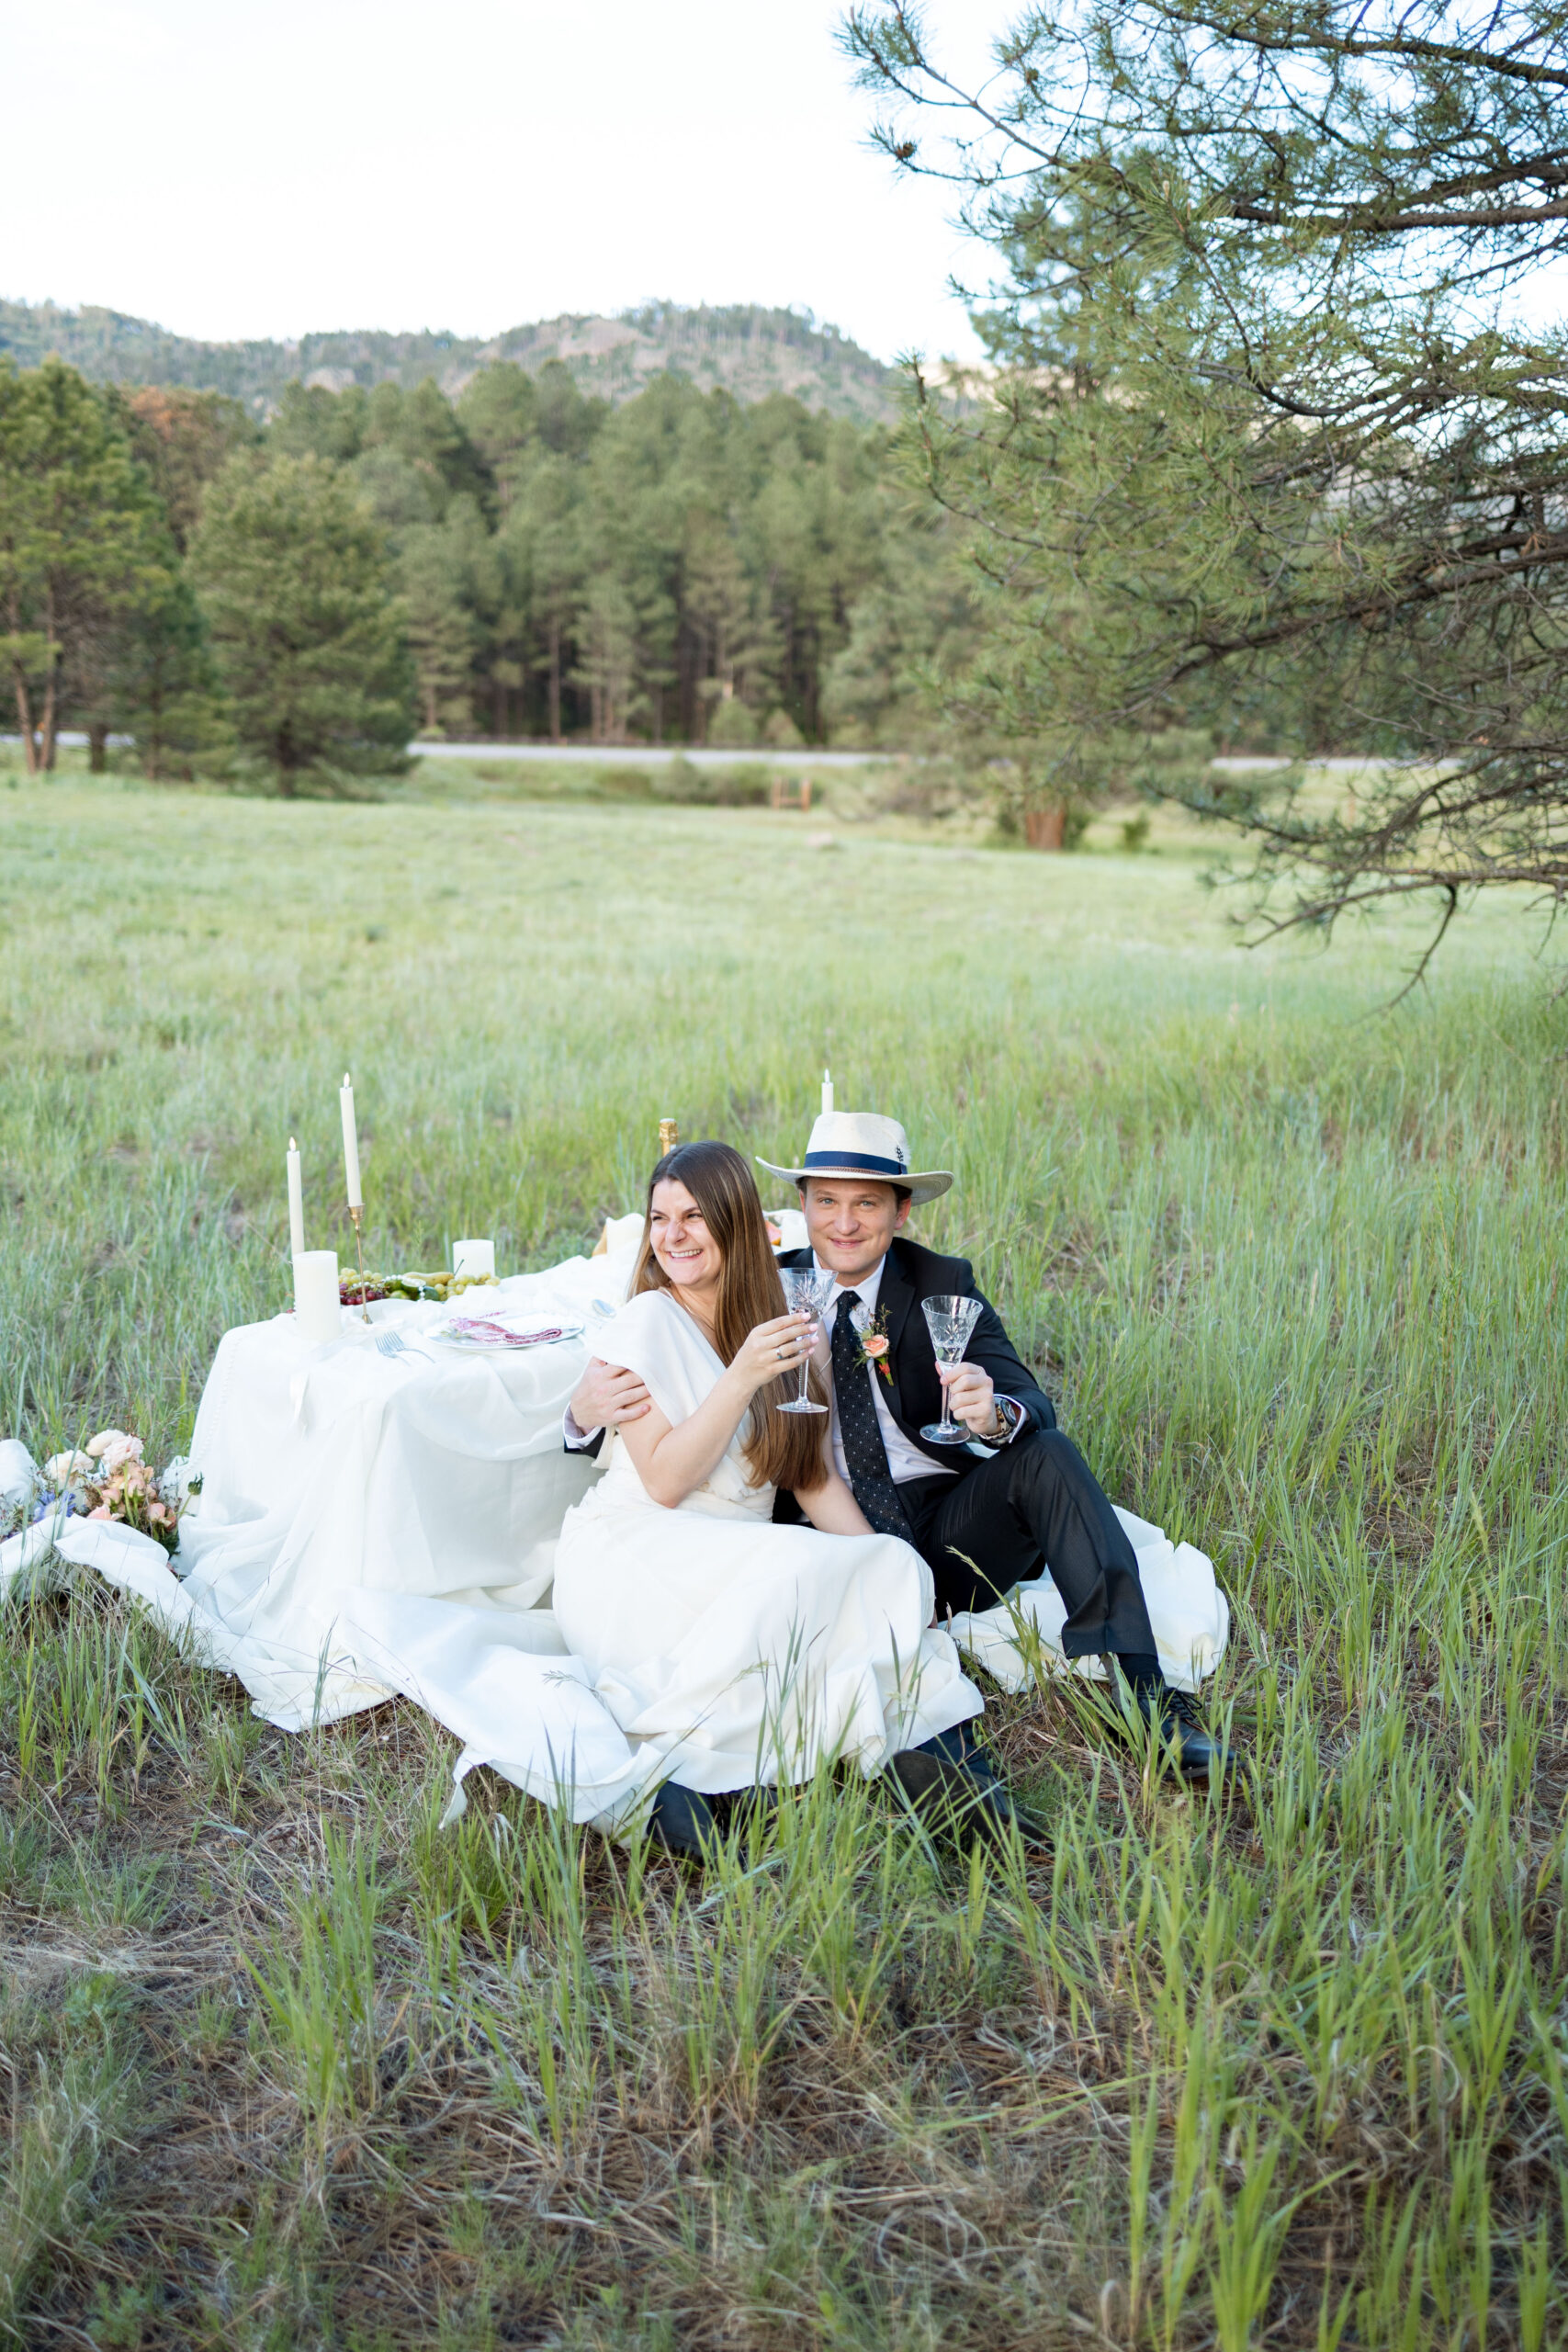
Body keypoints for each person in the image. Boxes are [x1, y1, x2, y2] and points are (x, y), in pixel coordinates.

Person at [570, 1112, 1227, 1778]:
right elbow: (669, 1359)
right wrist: (578, 1415)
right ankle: (937, 1766)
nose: (844, 1223)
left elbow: (1030, 1401)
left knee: (1047, 1454)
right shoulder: (763, 1290)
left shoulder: (941, 1283)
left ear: (901, 1210)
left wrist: (991, 1412)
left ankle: (1147, 1699)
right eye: (825, 1201)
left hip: (946, 1527)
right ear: (800, 1206)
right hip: (829, 1539)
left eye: (866, 1204)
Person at [551, 1138, 1013, 1859]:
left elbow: (810, 1476)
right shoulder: (647, 1322)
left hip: (734, 1552)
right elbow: (667, 1482)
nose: (671, 1236)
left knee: (880, 1577)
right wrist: (738, 1377)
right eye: (659, 1218)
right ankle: (710, 1796)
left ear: (736, 1222)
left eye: (694, 1217)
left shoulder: (781, 1325)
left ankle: (957, 1787)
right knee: (798, 1579)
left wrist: (885, 1561)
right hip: (640, 1553)